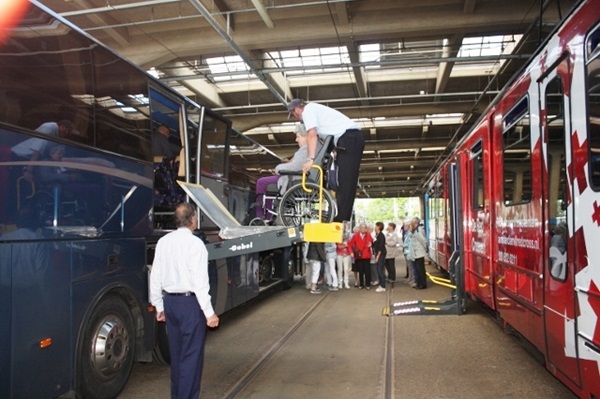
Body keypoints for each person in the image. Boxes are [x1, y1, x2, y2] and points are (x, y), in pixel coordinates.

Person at [149, 203, 219, 399]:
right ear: (191, 220)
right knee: (192, 358)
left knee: (178, 357)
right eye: (195, 217)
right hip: (190, 305)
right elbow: (200, 282)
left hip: (170, 303)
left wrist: (159, 306)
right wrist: (209, 312)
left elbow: (156, 276)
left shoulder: (163, 242)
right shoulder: (195, 244)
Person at [287, 99, 364, 223]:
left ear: (296, 109)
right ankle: (342, 218)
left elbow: (312, 135)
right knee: (343, 181)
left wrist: (310, 159)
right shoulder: (315, 109)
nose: (295, 118)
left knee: (345, 181)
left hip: (349, 138)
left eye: (293, 115)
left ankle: (342, 220)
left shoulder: (308, 111)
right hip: (348, 139)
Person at [254, 124, 316, 220]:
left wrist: (278, 168)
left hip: (294, 179)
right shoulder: (310, 149)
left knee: (261, 182)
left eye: (298, 136)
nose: (296, 140)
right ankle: (268, 215)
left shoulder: (305, 149)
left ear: (306, 136)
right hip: (300, 178)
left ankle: (261, 215)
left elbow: (295, 167)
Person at [348, 222, 373, 289]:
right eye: (362, 227)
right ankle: (361, 284)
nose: (363, 229)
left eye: (365, 228)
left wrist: (371, 244)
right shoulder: (355, 235)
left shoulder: (368, 235)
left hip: (366, 255)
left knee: (367, 271)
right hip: (359, 255)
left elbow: (372, 242)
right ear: (359, 228)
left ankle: (368, 284)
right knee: (360, 271)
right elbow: (350, 244)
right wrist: (351, 252)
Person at [409, 217, 428, 289]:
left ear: (416, 223)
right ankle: (419, 283)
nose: (411, 224)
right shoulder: (414, 230)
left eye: (412, 223)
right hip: (416, 253)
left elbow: (423, 241)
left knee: (420, 269)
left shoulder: (419, 230)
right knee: (417, 269)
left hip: (419, 253)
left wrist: (424, 249)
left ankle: (422, 284)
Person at [373, 222, 387, 292]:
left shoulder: (381, 236)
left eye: (376, 226)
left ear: (379, 227)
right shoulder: (376, 235)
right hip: (377, 254)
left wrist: (377, 257)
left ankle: (383, 285)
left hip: (381, 254)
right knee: (378, 269)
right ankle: (381, 284)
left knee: (380, 269)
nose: (374, 227)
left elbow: (381, 247)